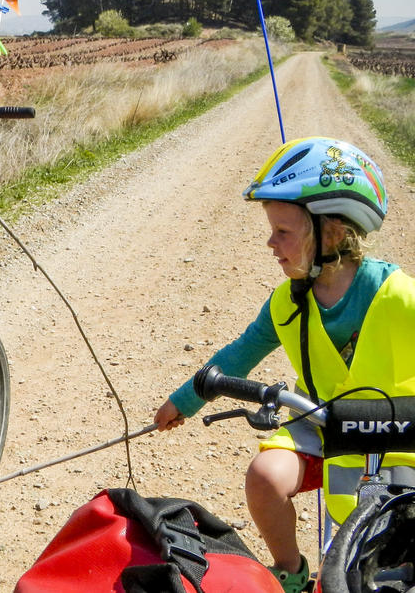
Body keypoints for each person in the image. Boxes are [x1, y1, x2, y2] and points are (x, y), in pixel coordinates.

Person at [154, 136, 415, 593]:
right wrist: (185, 399)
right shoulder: (287, 302)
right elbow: (240, 353)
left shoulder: (398, 295)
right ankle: (291, 571)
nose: (270, 243)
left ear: (331, 232)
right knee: (264, 476)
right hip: (318, 421)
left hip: (401, 427)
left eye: (283, 232)